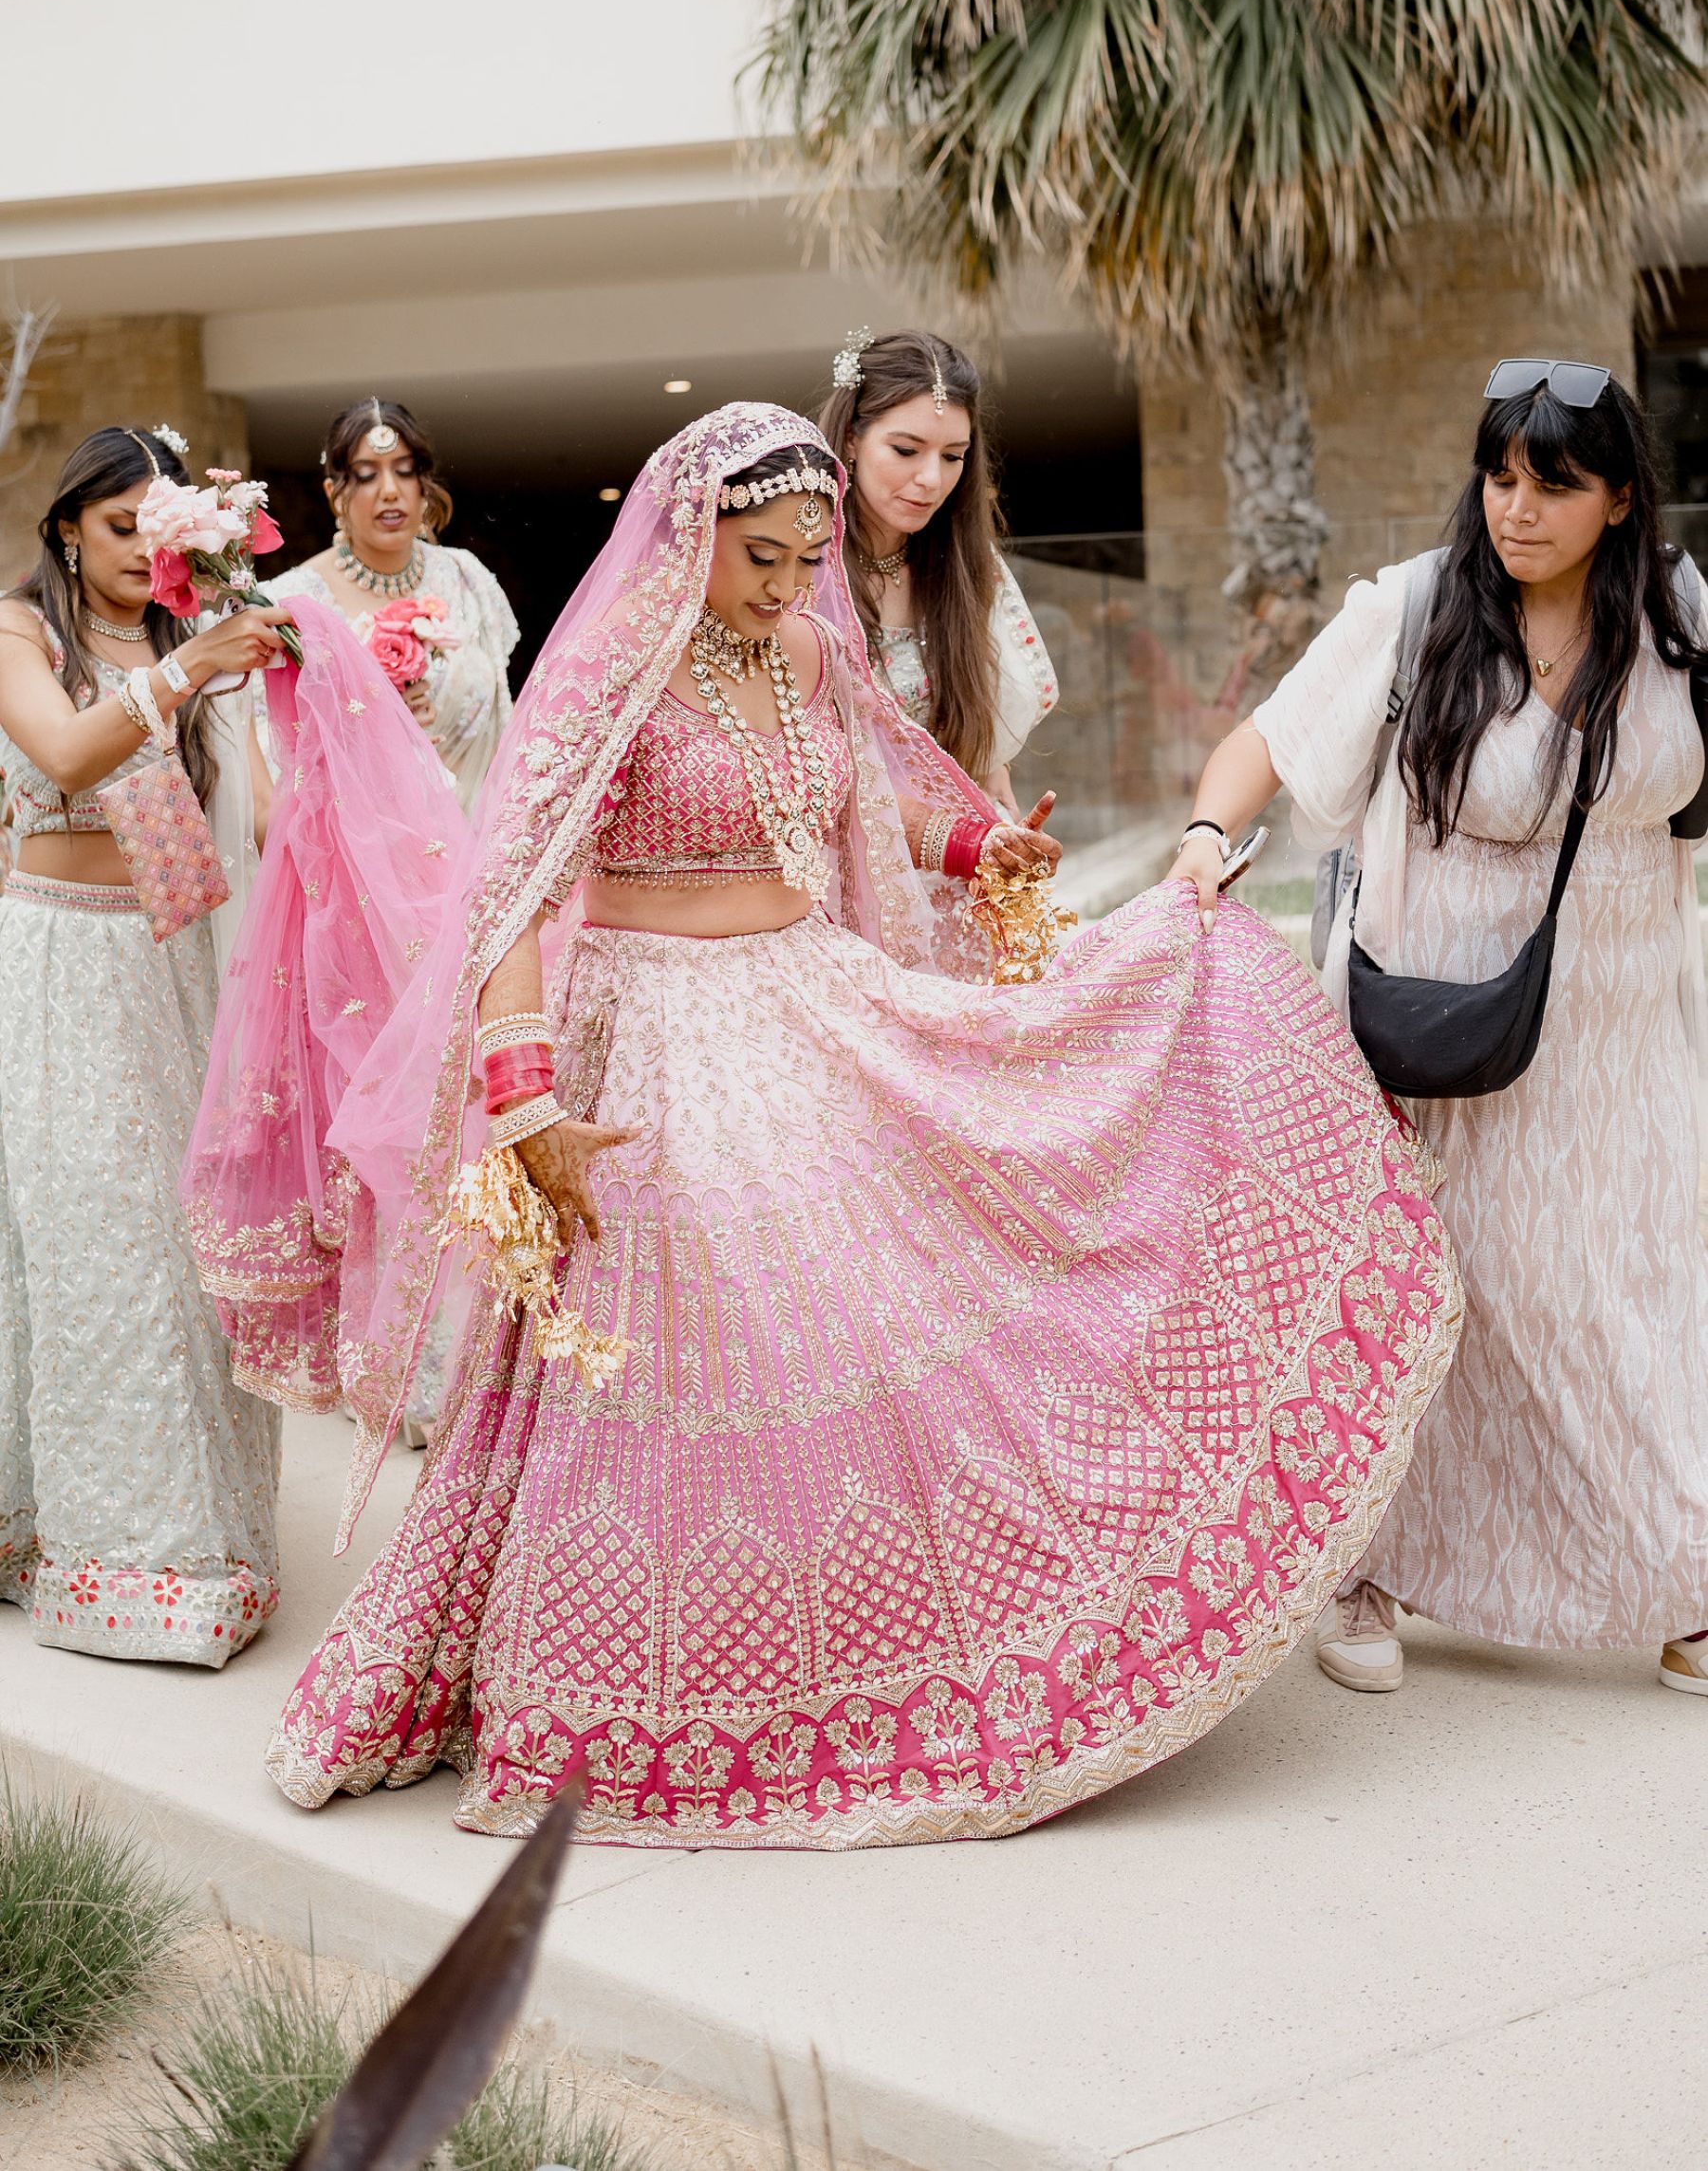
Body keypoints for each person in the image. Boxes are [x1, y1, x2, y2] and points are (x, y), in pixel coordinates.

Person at [261, 402, 1459, 1846]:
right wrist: (527, 1100)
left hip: (804, 995)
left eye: (804, 556)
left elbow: (856, 798)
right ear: (691, 532)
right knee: (727, 1348)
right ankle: (670, 1694)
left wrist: (972, 840)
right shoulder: (605, 683)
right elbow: (515, 888)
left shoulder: (809, 653)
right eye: (759, 555)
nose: (784, 583)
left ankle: (917, 1656)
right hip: (651, 1039)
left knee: (905, 1311)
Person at [1168, 362, 1708, 1696]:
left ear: (1621, 497)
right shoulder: (1415, 608)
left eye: (1555, 484)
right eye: (1501, 476)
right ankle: (1371, 1564)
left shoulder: (1679, 612)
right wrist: (1195, 842)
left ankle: (1681, 1571)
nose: (1517, 509)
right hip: (1446, 1007)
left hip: (1631, 1014)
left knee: (1631, 1293)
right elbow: (1270, 742)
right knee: (1442, 1294)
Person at [0, 427, 293, 1665]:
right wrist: (188, 673)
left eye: (159, 530)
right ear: (70, 523)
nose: (137, 553)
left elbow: (258, 797)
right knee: (94, 1238)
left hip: (175, 955)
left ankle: (206, 1538)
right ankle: (103, 1549)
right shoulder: (25, 630)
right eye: (120, 527)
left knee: (189, 1242)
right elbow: (65, 753)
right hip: (64, 958)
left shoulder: (187, 632)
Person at [821, 329, 1057, 814]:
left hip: (954, 853)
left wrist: (993, 783)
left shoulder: (969, 568)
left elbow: (983, 755)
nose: (931, 479)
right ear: (851, 439)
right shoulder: (800, 568)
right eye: (906, 451)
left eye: (952, 457)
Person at [269, 397, 518, 815]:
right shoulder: (295, 602)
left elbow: (504, 720)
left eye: (405, 472)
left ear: (423, 485)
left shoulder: (465, 578)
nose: (390, 491)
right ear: (335, 495)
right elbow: (275, 753)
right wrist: (372, 728)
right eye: (367, 476)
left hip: (477, 841)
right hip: (360, 847)